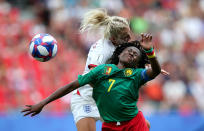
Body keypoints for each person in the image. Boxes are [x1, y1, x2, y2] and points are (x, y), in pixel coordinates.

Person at [21, 34, 161, 131]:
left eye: (135, 54)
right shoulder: (101, 70)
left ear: (136, 63)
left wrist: (149, 51)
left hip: (133, 123)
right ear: (119, 53)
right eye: (129, 50)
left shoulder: (136, 75)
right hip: (111, 126)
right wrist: (43, 103)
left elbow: (155, 71)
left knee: (143, 122)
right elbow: (71, 86)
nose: (131, 53)